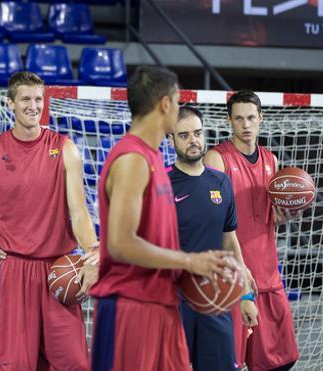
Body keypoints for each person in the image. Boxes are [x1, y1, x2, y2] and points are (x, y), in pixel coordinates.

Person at [0, 71, 100, 371]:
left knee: (75, 364)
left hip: (57, 269)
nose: (33, 106)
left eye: (38, 99)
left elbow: (79, 212)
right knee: (14, 365)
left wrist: (92, 254)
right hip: (10, 272)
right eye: (26, 99)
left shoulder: (65, 148)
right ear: (11, 103)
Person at [88, 66, 237, 371]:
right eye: (178, 101)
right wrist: (189, 261)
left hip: (161, 304)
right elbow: (119, 243)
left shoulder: (153, 158)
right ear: (165, 104)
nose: (179, 108)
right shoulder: (132, 159)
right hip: (131, 308)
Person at [204, 90, 300, 371]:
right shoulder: (216, 160)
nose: (245, 125)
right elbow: (212, 223)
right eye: (238, 119)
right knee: (225, 364)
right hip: (233, 279)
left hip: (268, 277)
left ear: (261, 118)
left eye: (250, 118)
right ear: (229, 121)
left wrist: (286, 213)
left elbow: (271, 219)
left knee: (281, 362)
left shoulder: (271, 161)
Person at [168, 105, 259, 370]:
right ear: (171, 139)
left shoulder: (221, 182)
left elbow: (230, 242)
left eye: (197, 133)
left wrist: (244, 296)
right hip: (173, 300)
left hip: (215, 297)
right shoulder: (160, 184)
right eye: (183, 135)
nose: (193, 140)